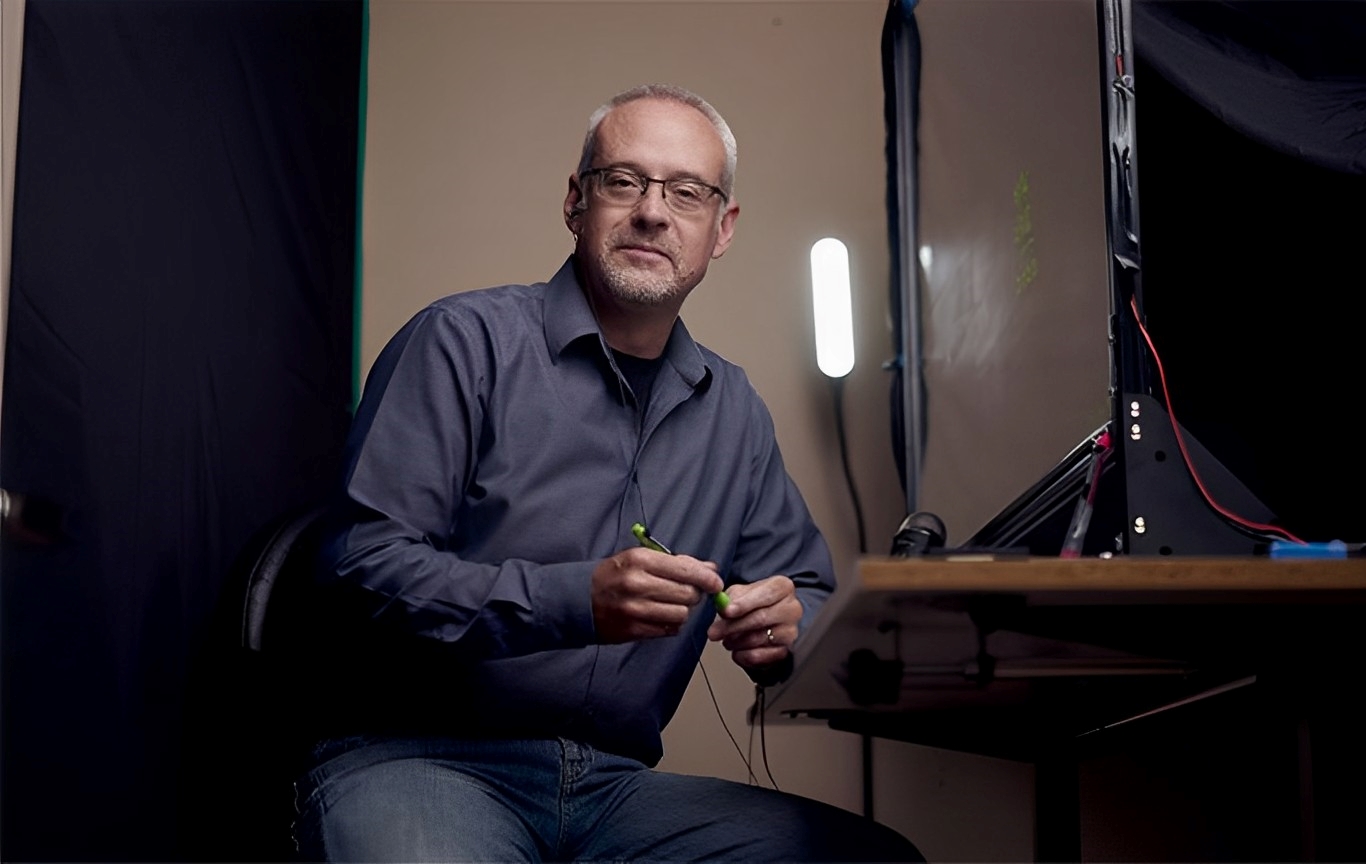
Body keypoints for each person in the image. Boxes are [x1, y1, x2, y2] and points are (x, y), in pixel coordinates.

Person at [294, 83, 924, 863]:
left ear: (721, 229)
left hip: (614, 789)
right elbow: (361, 568)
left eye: (687, 192)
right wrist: (573, 600)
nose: (653, 212)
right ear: (575, 200)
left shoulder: (734, 411)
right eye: (624, 181)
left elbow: (809, 592)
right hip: (420, 760)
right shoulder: (461, 342)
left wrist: (788, 631)